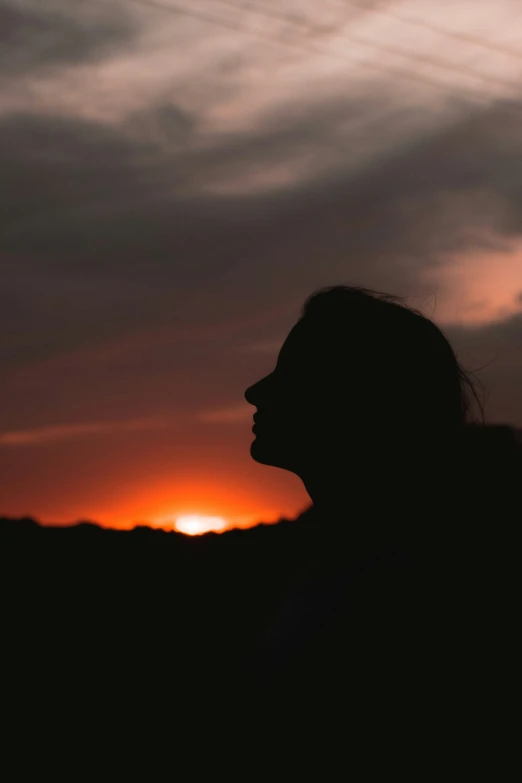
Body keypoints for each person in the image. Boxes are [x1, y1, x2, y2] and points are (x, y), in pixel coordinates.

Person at [240, 285, 519, 767]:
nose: (255, 391)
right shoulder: (345, 559)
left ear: (354, 398)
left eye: (290, 374)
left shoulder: (418, 587)